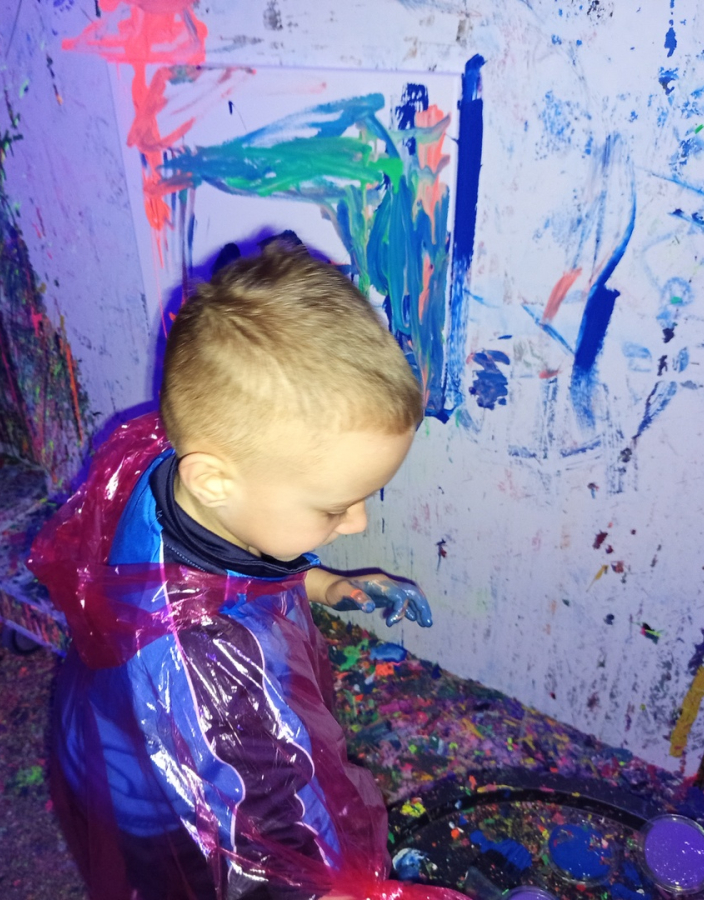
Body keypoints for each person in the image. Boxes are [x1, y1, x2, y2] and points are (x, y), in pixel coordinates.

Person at [28, 242, 461, 900]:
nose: (358, 523)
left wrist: (325, 584)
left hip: (105, 726)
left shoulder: (169, 463)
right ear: (215, 481)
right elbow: (278, 842)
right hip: (163, 807)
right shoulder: (213, 669)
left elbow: (241, 569)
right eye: (334, 506)